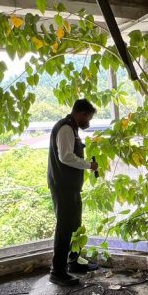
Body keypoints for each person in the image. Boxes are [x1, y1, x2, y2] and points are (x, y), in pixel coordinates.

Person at [47, 98, 99, 285]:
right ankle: (57, 272)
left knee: (75, 225)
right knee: (64, 227)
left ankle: (74, 262)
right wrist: (88, 165)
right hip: (63, 187)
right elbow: (66, 156)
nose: (88, 122)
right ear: (82, 114)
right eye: (88, 118)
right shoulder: (66, 128)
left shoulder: (72, 129)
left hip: (71, 187)